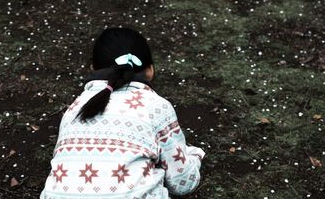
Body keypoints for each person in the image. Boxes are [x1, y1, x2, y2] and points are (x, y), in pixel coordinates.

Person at [40, 27, 205, 199]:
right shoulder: (156, 106)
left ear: (92, 67)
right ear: (150, 70)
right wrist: (194, 155)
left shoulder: (75, 108)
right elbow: (182, 183)